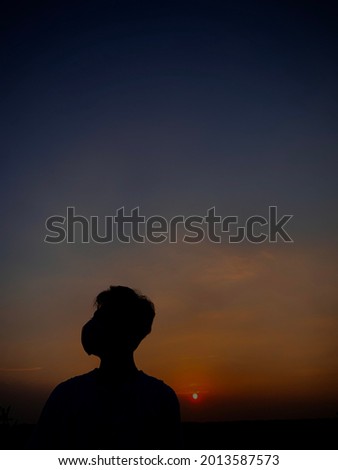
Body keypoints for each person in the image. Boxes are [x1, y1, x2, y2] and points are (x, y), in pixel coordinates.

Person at [30, 285, 181, 449]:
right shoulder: (66, 395)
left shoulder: (160, 399)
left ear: (129, 331)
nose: (93, 325)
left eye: (103, 318)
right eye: (96, 317)